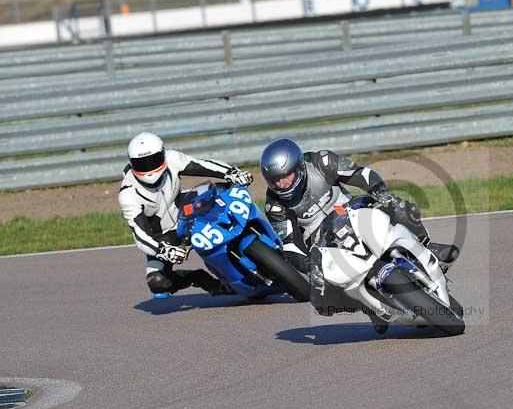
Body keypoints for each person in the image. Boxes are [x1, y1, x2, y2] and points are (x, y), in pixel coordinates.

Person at [258, 138, 460, 319]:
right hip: (322, 240)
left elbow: (360, 174)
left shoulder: (321, 162)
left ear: (299, 167)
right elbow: (291, 245)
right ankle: (367, 306)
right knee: (323, 303)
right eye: (275, 180)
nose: (282, 184)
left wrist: (381, 193)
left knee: (400, 207)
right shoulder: (275, 206)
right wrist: (311, 268)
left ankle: (426, 245)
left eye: (286, 176)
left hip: (351, 208)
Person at [118, 132, 254, 297]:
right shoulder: (128, 194)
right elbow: (140, 234)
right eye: (142, 164)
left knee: (223, 191)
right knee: (157, 283)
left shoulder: (172, 159)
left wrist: (232, 173)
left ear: (162, 154)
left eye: (153, 161)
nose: (149, 168)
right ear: (132, 163)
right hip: (164, 239)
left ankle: (254, 234)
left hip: (188, 211)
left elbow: (204, 165)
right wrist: (163, 250)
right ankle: (203, 280)